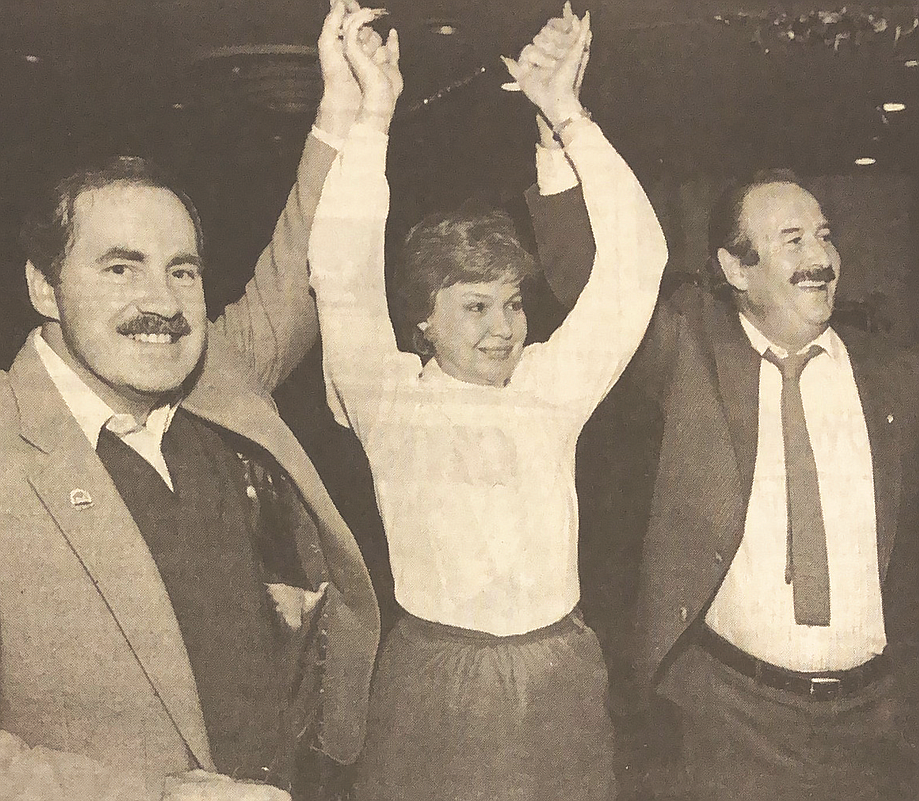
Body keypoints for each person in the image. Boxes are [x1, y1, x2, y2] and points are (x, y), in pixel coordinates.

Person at [0, 4, 382, 800]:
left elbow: (297, 271)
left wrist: (344, 111)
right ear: (43, 285)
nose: (162, 302)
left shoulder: (210, 374)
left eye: (181, 269)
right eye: (119, 268)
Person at [527, 22, 919, 798]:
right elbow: (585, 275)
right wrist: (552, 128)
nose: (821, 254)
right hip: (731, 715)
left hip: (878, 721)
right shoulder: (692, 355)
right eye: (790, 237)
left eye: (824, 234)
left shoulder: (890, 379)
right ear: (734, 268)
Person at [307, 8, 668, 800]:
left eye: (511, 303)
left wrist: (567, 114)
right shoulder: (386, 397)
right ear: (422, 319)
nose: (502, 327)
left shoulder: (550, 386)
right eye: (474, 306)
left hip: (558, 671)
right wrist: (371, 116)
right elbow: (339, 267)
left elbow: (638, 263)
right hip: (435, 676)